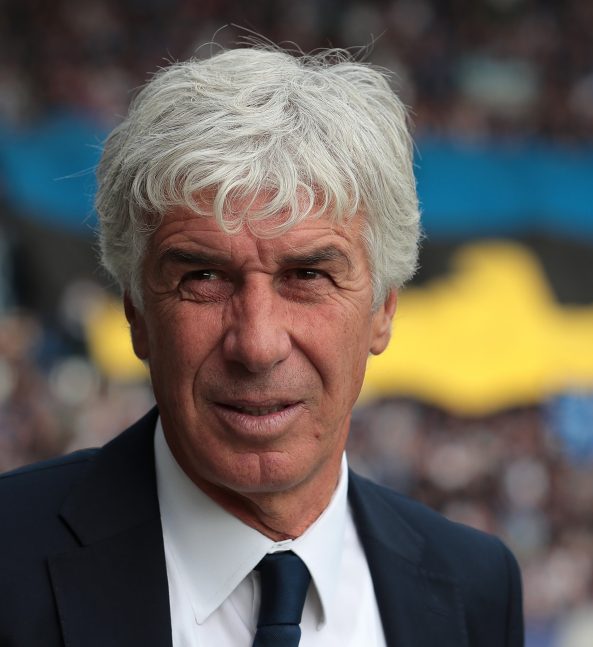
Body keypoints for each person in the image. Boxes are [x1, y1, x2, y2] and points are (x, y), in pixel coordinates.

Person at [0, 46, 523, 646]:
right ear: (136, 311)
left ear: (383, 309)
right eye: (203, 277)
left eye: (308, 276)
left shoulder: (476, 587)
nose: (256, 344)